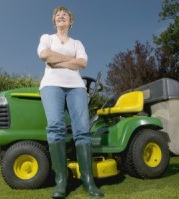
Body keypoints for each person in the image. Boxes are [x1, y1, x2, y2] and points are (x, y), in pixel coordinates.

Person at [37, 6, 104, 199]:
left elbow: (82, 63)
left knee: (82, 129)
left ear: (70, 21)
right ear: (54, 21)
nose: (61, 17)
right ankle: (61, 181)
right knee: (56, 126)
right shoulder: (46, 38)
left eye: (64, 15)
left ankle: (88, 181)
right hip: (51, 85)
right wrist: (70, 60)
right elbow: (44, 55)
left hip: (76, 87)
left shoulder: (77, 43)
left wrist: (57, 60)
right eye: (58, 15)